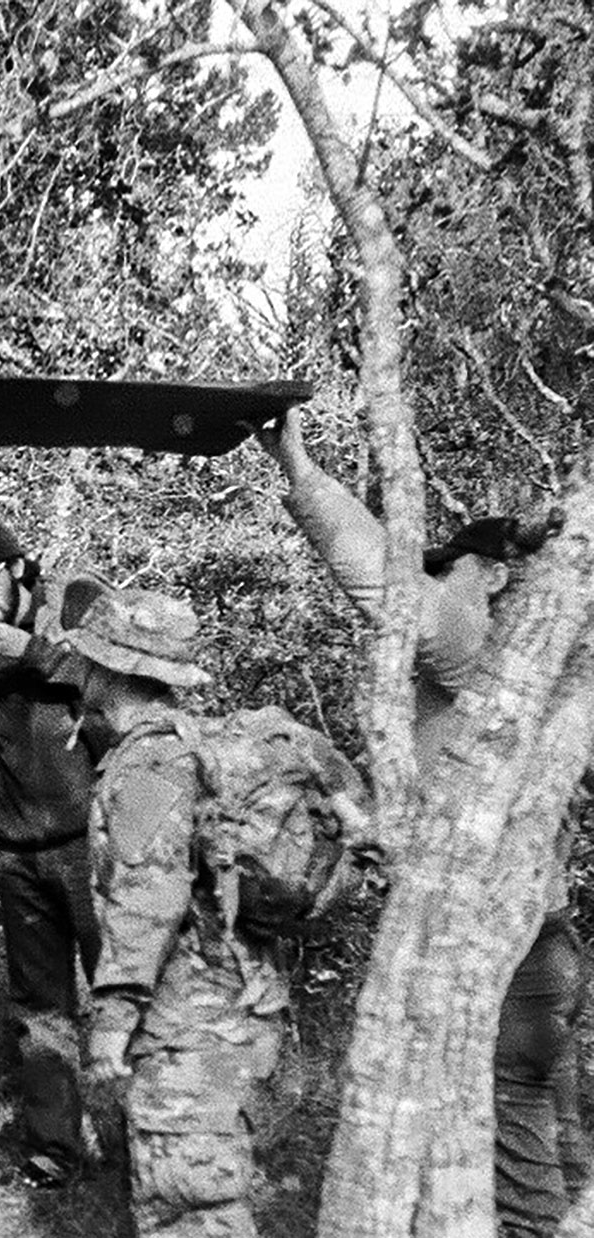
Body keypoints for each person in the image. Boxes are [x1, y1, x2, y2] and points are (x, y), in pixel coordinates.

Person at [257, 409, 581, 1237]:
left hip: (493, 942)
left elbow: (377, 577)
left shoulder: (481, 648)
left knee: (509, 1131)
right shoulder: (557, 672)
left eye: (455, 571)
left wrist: (299, 467)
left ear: (498, 579)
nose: (441, 583)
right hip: (546, 937)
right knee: (547, 1121)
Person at [61, 587, 279, 1238]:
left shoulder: (150, 762)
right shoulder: (181, 745)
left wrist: (112, 1017)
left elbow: (148, 896)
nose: (81, 672)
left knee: (189, 1209)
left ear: (111, 671)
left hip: (191, 1030)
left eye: (90, 661)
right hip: (228, 1016)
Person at [0, 507, 107, 1188]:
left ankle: (156, 1136)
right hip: (21, 852)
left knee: (128, 993)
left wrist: (28, 651)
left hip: (93, 845)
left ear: (16, 566)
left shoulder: (76, 605)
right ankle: (52, 1149)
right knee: (41, 1012)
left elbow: (112, 683)